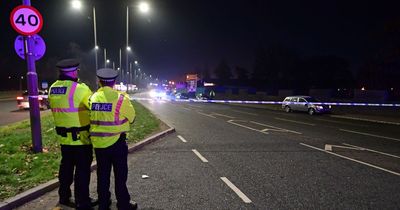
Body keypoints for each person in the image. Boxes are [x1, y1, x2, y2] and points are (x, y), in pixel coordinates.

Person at [48, 59, 96, 209]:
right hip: (81, 140)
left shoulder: (52, 88)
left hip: (64, 139)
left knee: (66, 168)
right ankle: (82, 201)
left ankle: (64, 197)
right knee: (82, 171)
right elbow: (92, 108)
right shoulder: (80, 89)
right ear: (74, 72)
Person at [89, 68, 137, 210]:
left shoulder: (93, 98)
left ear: (99, 82)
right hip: (117, 143)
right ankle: (123, 203)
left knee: (102, 175)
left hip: (99, 144)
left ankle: (103, 203)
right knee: (120, 175)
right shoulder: (121, 99)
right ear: (114, 82)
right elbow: (132, 118)